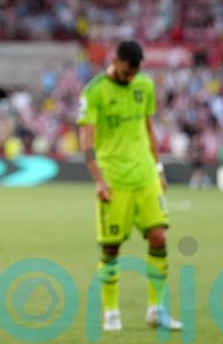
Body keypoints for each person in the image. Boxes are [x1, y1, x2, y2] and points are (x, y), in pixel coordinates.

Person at [77, 41, 181, 332]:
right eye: (126, 72)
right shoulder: (94, 92)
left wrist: (158, 169)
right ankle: (111, 312)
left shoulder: (144, 85)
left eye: (135, 72)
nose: (130, 77)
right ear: (115, 60)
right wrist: (98, 180)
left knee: (159, 237)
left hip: (145, 175)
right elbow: (86, 140)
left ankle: (156, 310)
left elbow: (149, 129)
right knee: (111, 248)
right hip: (114, 180)